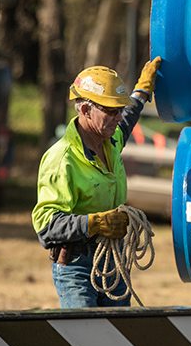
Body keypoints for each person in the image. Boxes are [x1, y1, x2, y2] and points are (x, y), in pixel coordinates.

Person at [31, 58, 161, 308]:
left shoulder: (110, 141)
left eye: (119, 110)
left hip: (112, 260)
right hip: (77, 268)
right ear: (85, 109)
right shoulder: (62, 159)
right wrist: (96, 223)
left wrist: (143, 90)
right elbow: (46, 226)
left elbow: (128, 117)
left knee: (119, 339)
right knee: (86, 338)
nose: (117, 117)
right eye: (111, 110)